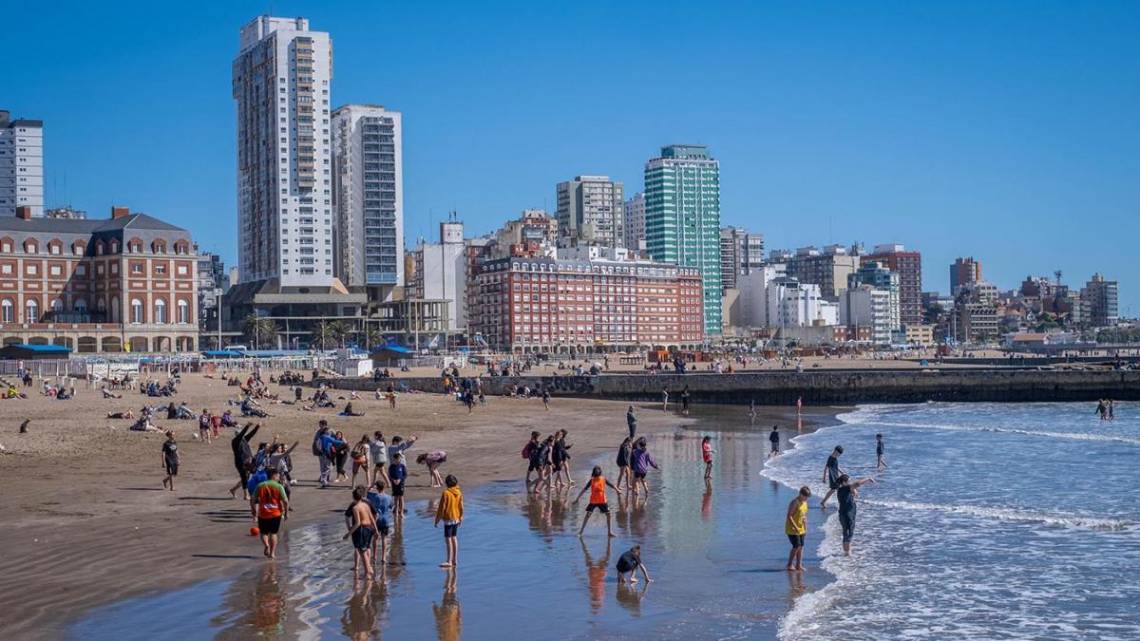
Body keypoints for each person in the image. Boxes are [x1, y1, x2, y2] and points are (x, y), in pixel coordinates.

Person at [252, 468, 289, 559]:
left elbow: (253, 499)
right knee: (273, 533)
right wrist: (286, 512)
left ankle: (266, 545)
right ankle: (272, 553)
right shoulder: (279, 486)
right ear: (274, 476)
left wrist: (254, 511)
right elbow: (285, 501)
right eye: (278, 476)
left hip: (263, 513)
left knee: (264, 533)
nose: (278, 478)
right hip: (276, 513)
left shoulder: (260, 485)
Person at [835, 474, 875, 556]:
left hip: (843, 513)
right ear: (844, 482)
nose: (850, 482)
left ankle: (846, 552)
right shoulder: (845, 488)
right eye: (848, 481)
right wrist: (867, 479)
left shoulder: (840, 489)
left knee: (845, 532)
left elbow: (853, 490)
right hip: (848, 514)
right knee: (849, 532)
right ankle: (848, 553)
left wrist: (854, 492)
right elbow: (857, 484)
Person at [343, 486, 378, 578]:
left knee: (362, 551)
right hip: (369, 528)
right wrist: (376, 530)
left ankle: (367, 572)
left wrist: (348, 533)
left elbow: (357, 523)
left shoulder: (355, 508)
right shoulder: (366, 505)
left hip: (361, 529)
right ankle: (369, 569)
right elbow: (372, 517)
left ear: (354, 497)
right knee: (365, 549)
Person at [574, 466, 619, 537]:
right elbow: (584, 489)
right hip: (593, 501)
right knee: (588, 515)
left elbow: (611, 485)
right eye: (596, 473)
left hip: (602, 501)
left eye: (598, 473)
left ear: (600, 473)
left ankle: (609, 532)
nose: (597, 474)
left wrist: (617, 490)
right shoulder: (591, 480)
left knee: (608, 514)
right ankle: (580, 532)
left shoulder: (603, 479)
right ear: (594, 473)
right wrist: (577, 499)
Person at [434, 474, 464, 568]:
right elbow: (461, 506)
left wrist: (437, 520)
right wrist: (461, 517)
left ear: (447, 484)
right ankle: (455, 559)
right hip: (456, 517)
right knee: (454, 538)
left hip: (448, 518)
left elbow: (441, 508)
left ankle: (449, 560)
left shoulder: (446, 493)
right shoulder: (459, 492)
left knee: (448, 539)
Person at [229, 423, 261, 500]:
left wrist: (257, 427)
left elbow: (251, 434)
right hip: (240, 463)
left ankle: (233, 489)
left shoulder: (244, 439)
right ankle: (246, 495)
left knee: (247, 477)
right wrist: (247, 426)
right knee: (244, 477)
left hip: (248, 462)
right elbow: (241, 435)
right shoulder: (235, 441)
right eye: (240, 433)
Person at [366, 480, 394, 567]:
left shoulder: (375, 496)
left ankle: (374, 556)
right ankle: (383, 557)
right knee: (384, 538)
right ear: (384, 487)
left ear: (377, 488)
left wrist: (371, 485)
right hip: (385, 519)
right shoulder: (389, 497)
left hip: (377, 519)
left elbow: (367, 492)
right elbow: (391, 506)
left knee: (375, 538)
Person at [785, 486, 811, 571]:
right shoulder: (795, 502)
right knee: (796, 546)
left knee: (801, 546)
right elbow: (789, 516)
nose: (806, 498)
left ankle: (798, 565)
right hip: (792, 528)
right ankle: (789, 564)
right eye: (805, 496)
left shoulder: (805, 503)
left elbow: (804, 516)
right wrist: (795, 527)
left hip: (801, 528)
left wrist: (805, 527)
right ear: (800, 494)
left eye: (807, 497)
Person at [389, 453, 408, 525]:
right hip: (394, 484)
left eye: (400, 459)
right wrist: (393, 480)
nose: (399, 460)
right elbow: (390, 475)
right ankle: (396, 512)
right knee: (396, 498)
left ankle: (401, 512)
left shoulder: (402, 466)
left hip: (401, 484)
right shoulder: (391, 466)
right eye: (397, 459)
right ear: (394, 459)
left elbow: (405, 475)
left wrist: (400, 479)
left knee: (401, 498)